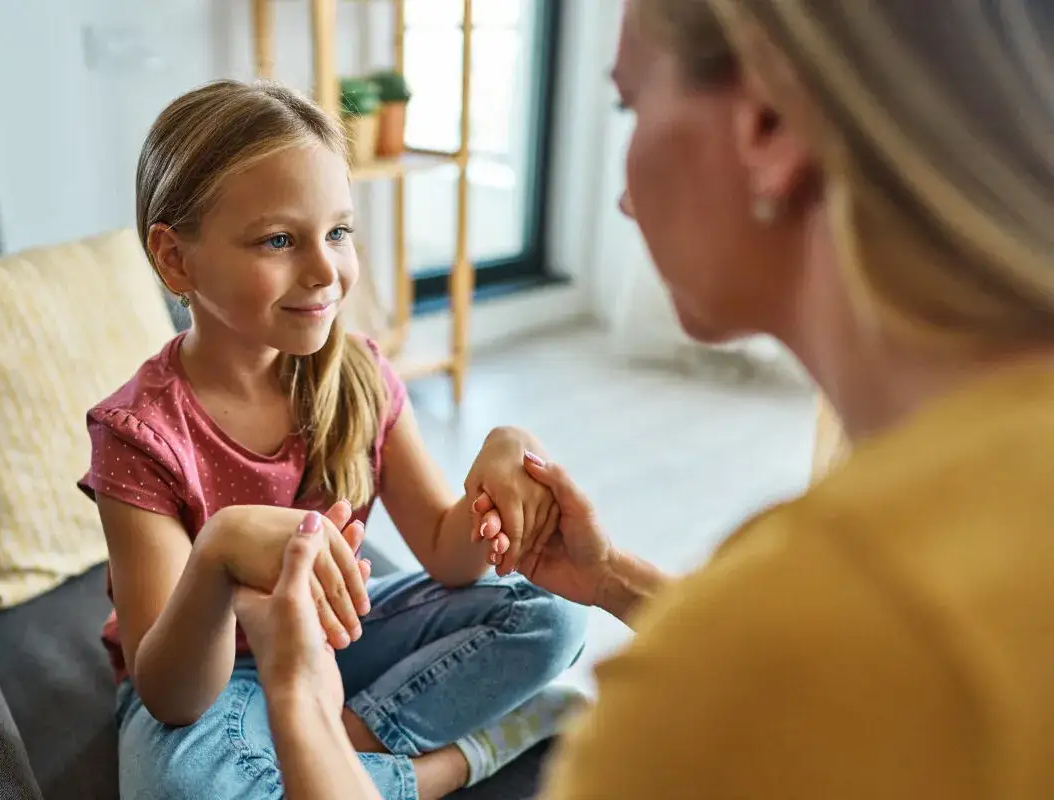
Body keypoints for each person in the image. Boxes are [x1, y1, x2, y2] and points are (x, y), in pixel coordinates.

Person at [233, 0, 1054, 797]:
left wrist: (298, 695)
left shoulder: (720, 677)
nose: (623, 195)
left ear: (767, 121)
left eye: (631, 105)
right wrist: (612, 579)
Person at [76, 79, 589, 800]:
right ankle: (445, 765)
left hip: (342, 643)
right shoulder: (138, 436)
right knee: (181, 787)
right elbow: (172, 696)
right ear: (175, 260)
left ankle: (329, 754)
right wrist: (220, 552)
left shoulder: (360, 378)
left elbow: (450, 554)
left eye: (339, 232)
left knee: (549, 613)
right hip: (219, 676)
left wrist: (501, 465)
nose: (325, 272)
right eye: (280, 240)